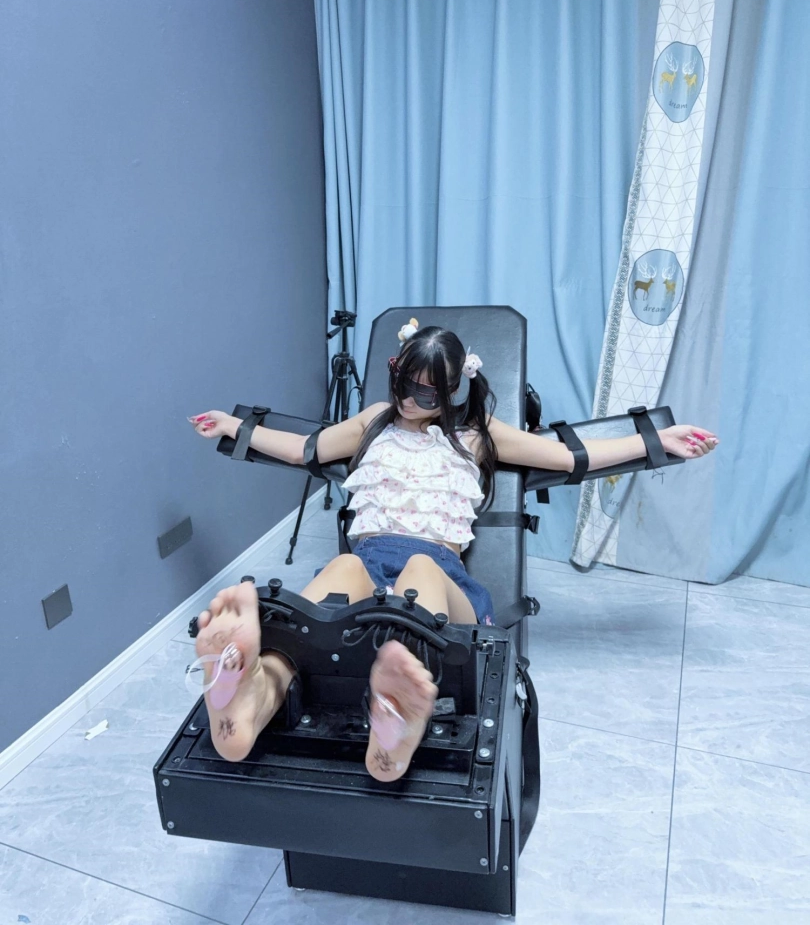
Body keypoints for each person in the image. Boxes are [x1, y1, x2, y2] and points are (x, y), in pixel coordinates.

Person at [186, 320, 718, 782]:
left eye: (426, 396)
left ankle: (400, 710)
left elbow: (566, 457)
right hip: (368, 564)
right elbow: (306, 449)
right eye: (403, 385)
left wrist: (656, 441)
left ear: (454, 392)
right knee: (339, 569)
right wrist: (238, 428)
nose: (408, 402)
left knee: (419, 570)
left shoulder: (478, 436)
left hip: (439, 579)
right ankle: (254, 697)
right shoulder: (374, 421)